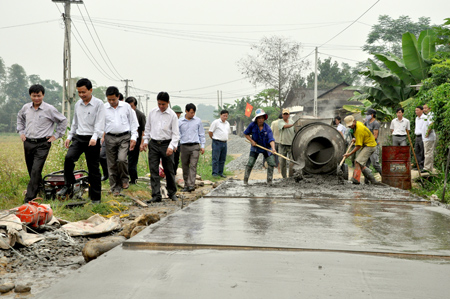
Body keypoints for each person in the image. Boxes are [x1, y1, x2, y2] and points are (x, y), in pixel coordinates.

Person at [17, 84, 68, 203]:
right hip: (28, 142)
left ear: (43, 95)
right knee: (31, 170)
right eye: (34, 96)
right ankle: (43, 192)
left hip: (43, 144)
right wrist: (21, 132)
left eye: (39, 96)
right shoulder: (26, 108)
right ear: (30, 95)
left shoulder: (49, 109)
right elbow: (20, 118)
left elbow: (63, 120)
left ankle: (29, 198)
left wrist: (56, 135)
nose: (36, 98)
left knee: (36, 169)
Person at [57, 78, 105, 203]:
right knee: (69, 158)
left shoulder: (99, 104)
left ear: (90, 90)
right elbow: (75, 122)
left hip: (92, 139)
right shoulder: (78, 104)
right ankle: (68, 185)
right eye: (79, 92)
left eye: (84, 92)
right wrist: (69, 136)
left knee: (93, 168)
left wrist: (95, 138)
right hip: (79, 137)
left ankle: (95, 198)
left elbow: (100, 123)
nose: (81, 95)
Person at [140, 92, 179, 203]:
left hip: (167, 144)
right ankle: (156, 195)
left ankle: (172, 192)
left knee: (169, 169)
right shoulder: (152, 113)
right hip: (154, 144)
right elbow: (147, 129)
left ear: (168, 102)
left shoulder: (172, 115)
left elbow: (176, 134)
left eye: (163, 104)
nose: (161, 106)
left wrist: (171, 146)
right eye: (159, 104)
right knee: (153, 170)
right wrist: (145, 141)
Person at [103, 87, 138, 196]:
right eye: (109, 100)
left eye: (113, 99)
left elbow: (134, 123)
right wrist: (100, 137)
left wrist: (134, 138)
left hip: (124, 137)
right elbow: (100, 124)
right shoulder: (103, 108)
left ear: (118, 97)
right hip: (110, 137)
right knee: (112, 163)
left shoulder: (126, 107)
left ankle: (124, 179)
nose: (111, 102)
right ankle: (115, 188)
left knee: (122, 159)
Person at [343, 115, 381, 185]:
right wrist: (356, 138)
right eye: (349, 125)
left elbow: (358, 146)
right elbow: (361, 137)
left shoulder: (359, 129)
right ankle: (372, 180)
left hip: (370, 146)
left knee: (357, 162)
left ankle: (356, 180)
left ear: (354, 121)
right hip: (367, 144)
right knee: (360, 163)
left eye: (351, 125)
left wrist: (349, 154)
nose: (350, 126)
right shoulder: (357, 125)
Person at [244, 108, 277, 185]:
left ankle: (269, 181)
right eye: (259, 118)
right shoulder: (252, 125)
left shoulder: (267, 128)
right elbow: (246, 134)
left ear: (264, 118)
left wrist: (273, 148)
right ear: (256, 119)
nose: (261, 120)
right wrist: (252, 141)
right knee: (250, 163)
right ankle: (245, 181)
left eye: (262, 118)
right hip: (255, 147)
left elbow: (271, 139)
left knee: (271, 163)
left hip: (266, 147)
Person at [178, 103, 205, 192]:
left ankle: (191, 185)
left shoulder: (198, 121)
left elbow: (201, 134)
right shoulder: (180, 122)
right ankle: (186, 185)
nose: (192, 114)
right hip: (184, 146)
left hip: (195, 146)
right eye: (191, 112)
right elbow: (177, 134)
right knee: (185, 166)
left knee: (193, 165)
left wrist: (203, 146)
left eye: (193, 113)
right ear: (186, 111)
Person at [125, 96, 146, 184]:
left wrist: (142, 143)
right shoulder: (123, 114)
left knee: (132, 162)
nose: (130, 108)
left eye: (132, 106)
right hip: (124, 140)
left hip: (136, 140)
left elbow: (144, 131)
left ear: (135, 106)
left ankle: (133, 179)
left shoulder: (140, 115)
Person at [209, 110, 230, 178]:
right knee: (215, 158)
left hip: (224, 142)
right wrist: (214, 139)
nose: (225, 117)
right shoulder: (216, 122)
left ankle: (220, 172)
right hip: (217, 142)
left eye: (226, 116)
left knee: (222, 159)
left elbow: (227, 132)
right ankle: (214, 173)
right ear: (220, 115)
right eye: (224, 115)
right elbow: (210, 132)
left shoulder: (227, 123)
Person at [364, 109, 382, 177]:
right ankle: (367, 180)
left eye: (368, 115)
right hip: (367, 145)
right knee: (366, 164)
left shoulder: (375, 123)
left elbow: (375, 136)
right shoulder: (366, 122)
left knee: (375, 164)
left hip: (373, 145)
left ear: (372, 115)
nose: (366, 116)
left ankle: (385, 176)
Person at [278, 108, 295, 178]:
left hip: (291, 145)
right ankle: (284, 177)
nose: (285, 115)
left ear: (289, 115)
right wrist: (293, 124)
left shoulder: (292, 121)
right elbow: (285, 126)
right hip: (283, 145)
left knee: (292, 161)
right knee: (282, 162)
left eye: (286, 114)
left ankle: (291, 176)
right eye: (284, 114)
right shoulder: (280, 122)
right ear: (282, 115)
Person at [422, 104, 436, 173]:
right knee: (428, 152)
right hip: (426, 138)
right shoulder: (427, 115)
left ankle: (427, 168)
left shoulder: (431, 115)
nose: (424, 109)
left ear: (429, 108)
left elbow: (431, 124)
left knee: (428, 153)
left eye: (426, 108)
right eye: (423, 108)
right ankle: (429, 167)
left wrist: (427, 133)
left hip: (429, 138)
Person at [414, 105, 426, 171]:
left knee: (422, 151)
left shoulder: (424, 117)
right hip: (417, 136)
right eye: (415, 110)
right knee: (417, 151)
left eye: (417, 110)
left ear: (421, 110)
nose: (416, 111)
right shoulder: (416, 118)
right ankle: (418, 165)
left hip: (422, 136)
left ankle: (422, 165)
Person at [171, 105, 183, 172]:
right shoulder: (168, 121)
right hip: (168, 143)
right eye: (176, 113)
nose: (177, 115)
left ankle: (174, 173)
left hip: (178, 143)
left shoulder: (181, 122)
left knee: (176, 159)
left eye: (178, 113)